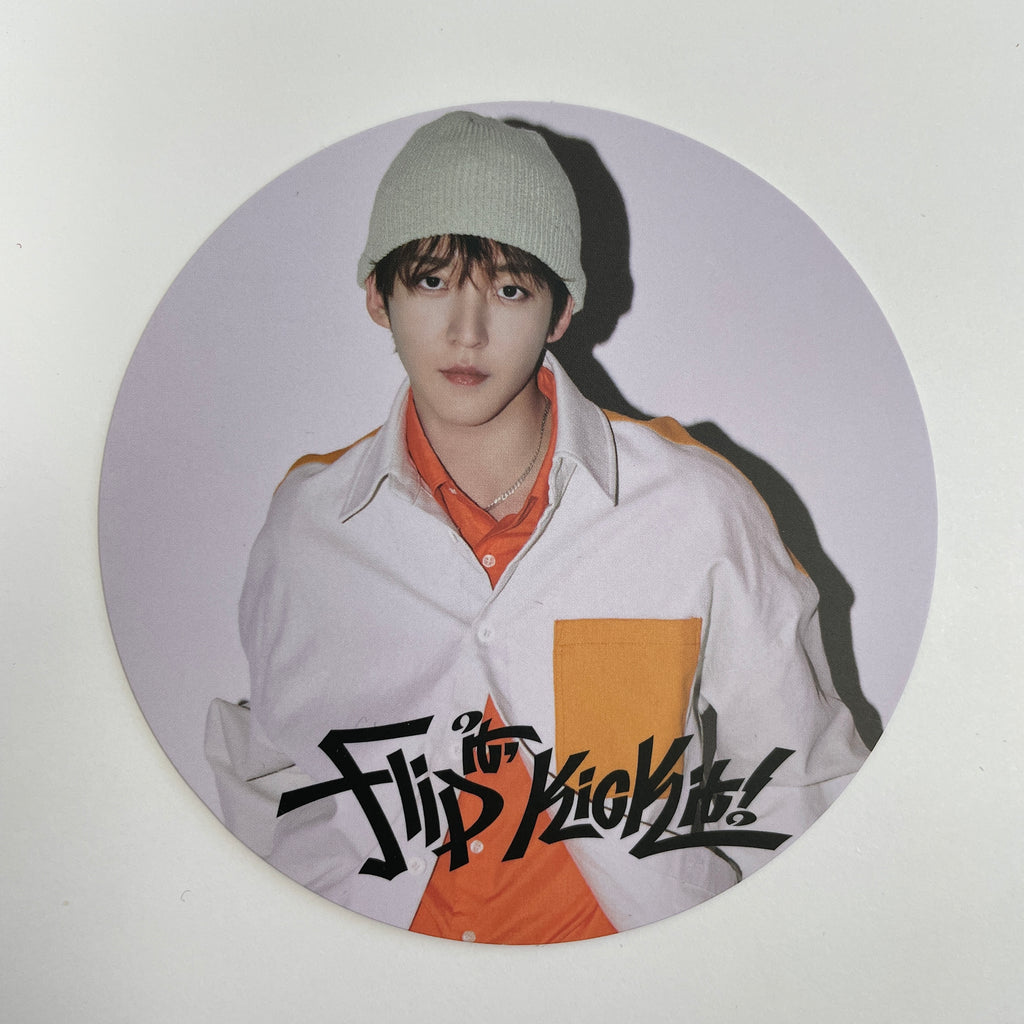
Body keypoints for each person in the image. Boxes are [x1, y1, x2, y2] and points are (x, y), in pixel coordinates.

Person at [206, 110, 868, 945]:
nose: (467, 331)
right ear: (378, 296)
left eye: (511, 289)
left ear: (561, 311)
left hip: (627, 980)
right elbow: (273, 769)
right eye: (431, 281)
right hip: (370, 978)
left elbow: (801, 786)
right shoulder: (312, 524)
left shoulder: (693, 506)